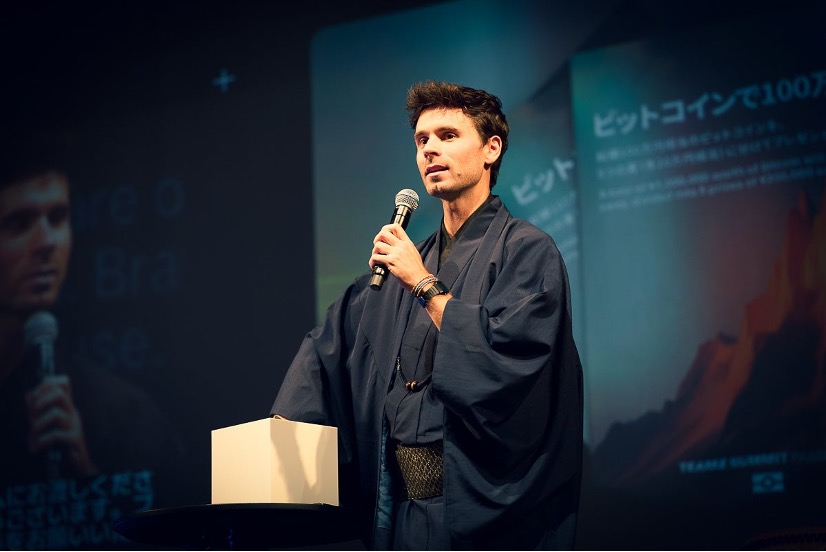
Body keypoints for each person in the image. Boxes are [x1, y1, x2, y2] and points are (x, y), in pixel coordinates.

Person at [271, 81, 583, 550]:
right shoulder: (408, 263)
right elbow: (330, 347)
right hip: (402, 514)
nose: (430, 150)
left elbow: (512, 369)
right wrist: (282, 426)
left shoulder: (525, 251)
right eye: (422, 140)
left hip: (478, 511)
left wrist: (422, 283)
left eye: (447, 136)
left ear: (491, 149)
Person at [0, 131, 186, 546]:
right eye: (20, 224)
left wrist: (86, 480)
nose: (47, 243)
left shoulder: (125, 416)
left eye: (58, 218)